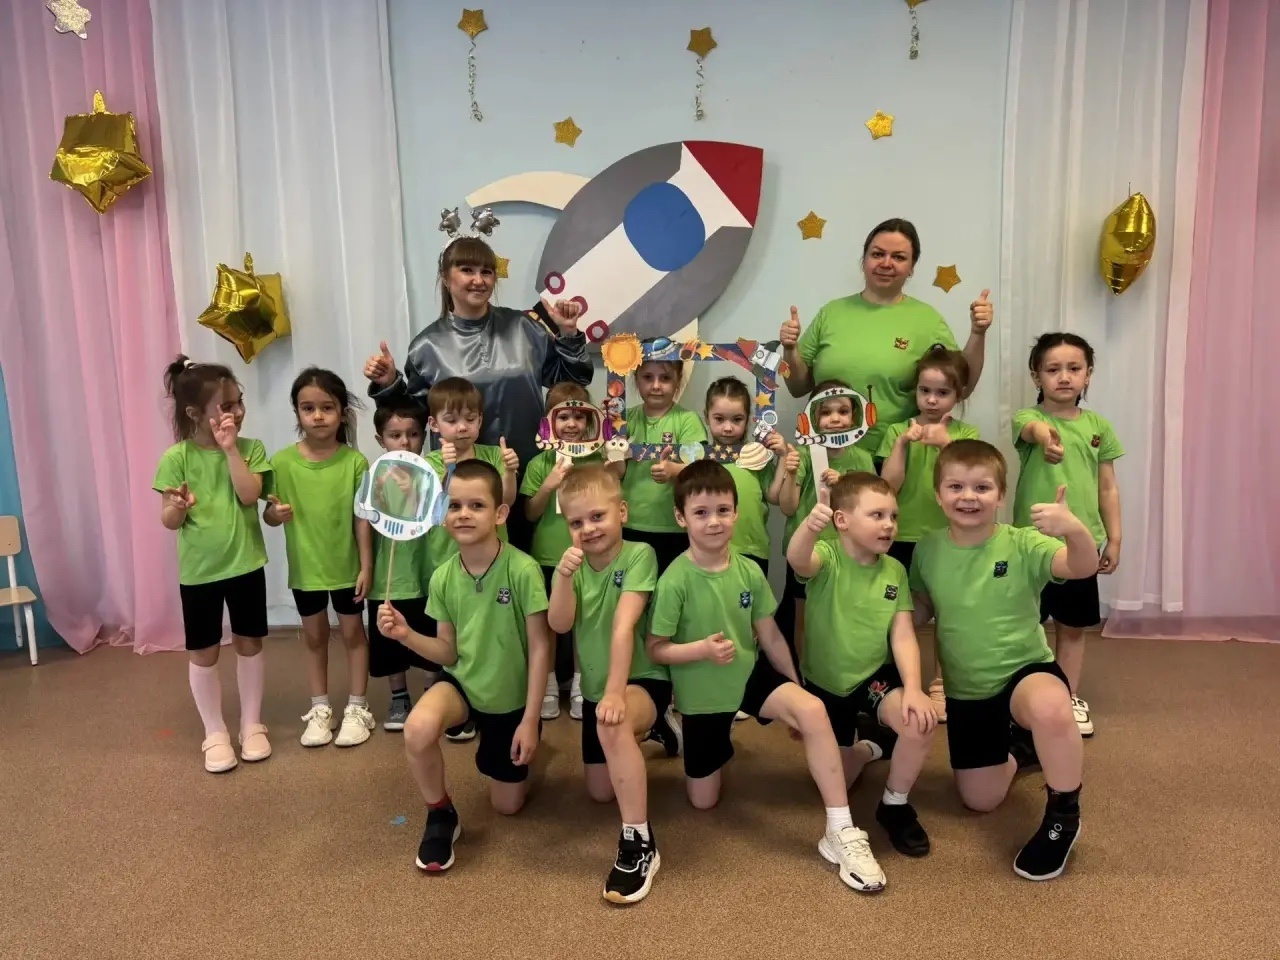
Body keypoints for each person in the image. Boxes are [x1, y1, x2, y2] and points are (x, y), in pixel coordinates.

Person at [647, 460, 888, 894]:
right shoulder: (674, 580)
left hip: (747, 674)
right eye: (701, 513)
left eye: (723, 510)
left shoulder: (749, 570)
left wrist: (794, 689)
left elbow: (771, 636)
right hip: (702, 693)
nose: (714, 521)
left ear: (736, 513)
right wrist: (701, 650)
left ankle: (841, 830)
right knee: (703, 801)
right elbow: (656, 648)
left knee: (812, 710)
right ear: (681, 518)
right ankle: (707, 738)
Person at [910, 439, 1096, 881]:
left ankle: (1064, 817)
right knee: (980, 800)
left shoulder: (1023, 542)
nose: (968, 497)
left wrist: (1074, 529)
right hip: (968, 690)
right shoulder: (927, 549)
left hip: (1024, 671)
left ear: (1001, 495)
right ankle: (1023, 745)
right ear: (938, 494)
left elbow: (1082, 566)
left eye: (982, 487)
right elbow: (920, 608)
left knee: (1051, 706)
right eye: (956, 486)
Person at [377, 460, 551, 874]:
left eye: (477, 505)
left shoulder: (523, 570)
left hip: (510, 699)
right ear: (442, 514)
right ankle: (441, 813)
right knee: (417, 728)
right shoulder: (442, 577)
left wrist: (530, 720)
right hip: (463, 686)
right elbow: (447, 654)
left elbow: (541, 647)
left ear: (500, 514)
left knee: (507, 806)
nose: (464, 514)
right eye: (454, 506)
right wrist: (405, 634)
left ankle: (519, 742)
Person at [547, 465, 682, 905]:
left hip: (640, 678)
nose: (588, 529)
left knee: (613, 724)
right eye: (576, 522)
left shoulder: (640, 554)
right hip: (598, 689)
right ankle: (654, 730)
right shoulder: (571, 567)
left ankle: (639, 843)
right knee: (599, 790)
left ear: (621, 512)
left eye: (597, 516)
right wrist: (562, 577)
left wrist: (613, 692)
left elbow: (624, 627)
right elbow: (559, 624)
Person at [361, 235, 591, 493]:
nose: (479, 280)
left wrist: (568, 335)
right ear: (445, 277)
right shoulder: (426, 347)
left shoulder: (524, 328)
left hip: (528, 472)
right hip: (461, 481)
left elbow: (571, 385)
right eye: (467, 270)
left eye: (487, 272)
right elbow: (415, 418)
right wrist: (389, 384)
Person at [786, 472, 938, 857]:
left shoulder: (895, 570)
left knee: (920, 721)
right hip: (825, 684)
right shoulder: (827, 557)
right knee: (834, 777)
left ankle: (895, 804)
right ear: (841, 520)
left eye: (894, 516)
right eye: (877, 515)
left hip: (873, 678)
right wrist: (810, 526)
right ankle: (871, 747)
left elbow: (903, 635)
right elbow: (798, 559)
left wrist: (915, 689)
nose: (889, 525)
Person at [778, 217, 993, 455]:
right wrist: (790, 349)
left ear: (912, 267)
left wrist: (978, 333)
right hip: (826, 455)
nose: (886, 263)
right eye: (877, 254)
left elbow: (963, 387)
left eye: (899, 257)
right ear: (864, 260)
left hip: (895, 457)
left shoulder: (928, 320)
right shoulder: (830, 313)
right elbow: (797, 387)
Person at [154, 356, 272, 773]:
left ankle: (252, 724)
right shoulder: (176, 458)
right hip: (200, 572)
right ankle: (215, 731)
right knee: (203, 650)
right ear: (194, 414)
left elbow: (248, 495)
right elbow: (169, 521)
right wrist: (178, 507)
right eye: (226, 406)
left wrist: (230, 450)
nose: (236, 412)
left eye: (239, 402)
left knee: (250, 642)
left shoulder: (250, 449)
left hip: (245, 564)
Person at [1014, 334, 1122, 738]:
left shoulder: (1099, 427)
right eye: (1053, 369)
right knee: (1026, 622)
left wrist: (1114, 538)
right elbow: (1034, 431)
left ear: (1088, 375)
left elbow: (1108, 487)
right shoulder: (1026, 418)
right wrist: (1047, 439)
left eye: (1074, 368)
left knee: (1073, 625)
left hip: (1081, 544)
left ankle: (1067, 694)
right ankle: (1022, 695)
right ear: (1036, 376)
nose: (1064, 377)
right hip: (1032, 544)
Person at [264, 368, 374, 748]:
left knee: (353, 634)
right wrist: (273, 515)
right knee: (314, 637)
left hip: (347, 569)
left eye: (327, 407)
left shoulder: (355, 463)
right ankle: (320, 708)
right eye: (308, 408)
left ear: (342, 412)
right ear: (297, 412)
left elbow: (362, 520)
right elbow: (269, 514)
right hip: (306, 570)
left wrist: (366, 566)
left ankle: (357, 707)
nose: (318, 416)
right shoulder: (281, 463)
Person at [877, 346, 981, 719]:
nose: (932, 400)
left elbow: (972, 477)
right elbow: (888, 486)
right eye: (925, 391)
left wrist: (947, 444)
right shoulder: (897, 430)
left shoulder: (966, 433)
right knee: (900, 612)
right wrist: (902, 443)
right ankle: (899, 682)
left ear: (959, 395)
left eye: (942, 392)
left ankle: (942, 683)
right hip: (902, 536)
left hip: (949, 537)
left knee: (948, 611)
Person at [420, 376, 519, 742]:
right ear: (434, 425)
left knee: (491, 629)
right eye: (451, 420)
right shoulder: (429, 462)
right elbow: (433, 513)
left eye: (470, 419)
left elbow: (507, 501)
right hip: (448, 565)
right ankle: (459, 700)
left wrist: (509, 471)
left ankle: (497, 697)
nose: (461, 427)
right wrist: (445, 472)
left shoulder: (492, 455)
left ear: (481, 421)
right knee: (454, 633)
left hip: (494, 563)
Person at [521, 382, 614, 721]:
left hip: (590, 556)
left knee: (584, 621)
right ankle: (546, 682)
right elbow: (530, 513)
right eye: (563, 417)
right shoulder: (539, 463)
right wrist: (549, 485)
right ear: (549, 421)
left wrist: (612, 439)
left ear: (590, 419)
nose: (572, 424)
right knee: (547, 621)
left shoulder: (597, 460)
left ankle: (579, 681)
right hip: (548, 556)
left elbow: (613, 489)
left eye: (579, 416)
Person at [777, 380, 876, 659]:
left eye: (843, 411)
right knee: (802, 616)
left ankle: (838, 666)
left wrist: (845, 484)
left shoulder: (862, 458)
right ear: (813, 418)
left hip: (847, 553)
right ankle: (803, 671)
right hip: (805, 551)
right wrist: (791, 474)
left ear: (854, 416)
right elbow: (788, 507)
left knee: (843, 616)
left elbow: (871, 507)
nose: (835, 419)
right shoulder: (804, 455)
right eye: (826, 412)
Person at [362, 405, 440, 732]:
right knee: (388, 636)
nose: (405, 442)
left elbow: (439, 515)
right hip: (388, 576)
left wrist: (415, 493)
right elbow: (364, 520)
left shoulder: (433, 473)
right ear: (381, 439)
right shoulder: (375, 476)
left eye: (413, 434)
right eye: (395, 435)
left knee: (428, 633)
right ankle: (399, 697)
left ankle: (433, 694)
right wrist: (366, 567)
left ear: (425, 435)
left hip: (425, 571)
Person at [621, 358, 707, 574]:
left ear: (678, 381)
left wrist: (674, 470)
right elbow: (615, 471)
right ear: (636, 380)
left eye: (665, 378)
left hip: (674, 527)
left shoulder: (687, 420)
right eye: (648, 377)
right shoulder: (624, 419)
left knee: (671, 586)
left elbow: (699, 469)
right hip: (629, 524)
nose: (656, 385)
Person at [703, 377, 793, 575]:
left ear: (748, 419)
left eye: (737, 419)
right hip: (708, 549)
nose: (728, 428)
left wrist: (783, 457)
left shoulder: (757, 457)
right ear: (706, 417)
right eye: (719, 419)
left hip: (752, 549)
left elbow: (774, 497)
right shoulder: (699, 458)